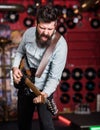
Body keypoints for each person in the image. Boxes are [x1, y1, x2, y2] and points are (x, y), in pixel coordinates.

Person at [12, 4, 68, 130]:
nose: (46, 33)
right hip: (25, 83)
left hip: (44, 88)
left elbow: (54, 77)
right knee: (23, 124)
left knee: (47, 125)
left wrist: (45, 93)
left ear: (55, 26)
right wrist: (15, 68)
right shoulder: (28, 33)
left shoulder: (60, 45)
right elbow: (20, 52)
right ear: (36, 23)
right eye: (42, 28)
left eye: (50, 29)